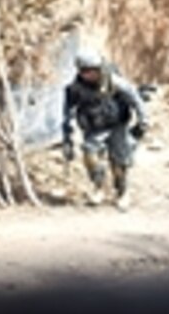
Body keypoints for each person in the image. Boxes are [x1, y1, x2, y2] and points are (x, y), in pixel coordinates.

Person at [61, 49, 149, 210]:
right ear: (81, 71)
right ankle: (98, 188)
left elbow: (135, 98)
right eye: (88, 71)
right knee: (90, 158)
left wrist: (143, 121)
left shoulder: (114, 82)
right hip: (93, 129)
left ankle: (122, 193)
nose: (92, 74)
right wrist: (67, 136)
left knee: (119, 164)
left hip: (117, 126)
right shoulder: (75, 89)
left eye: (95, 70)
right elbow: (67, 113)